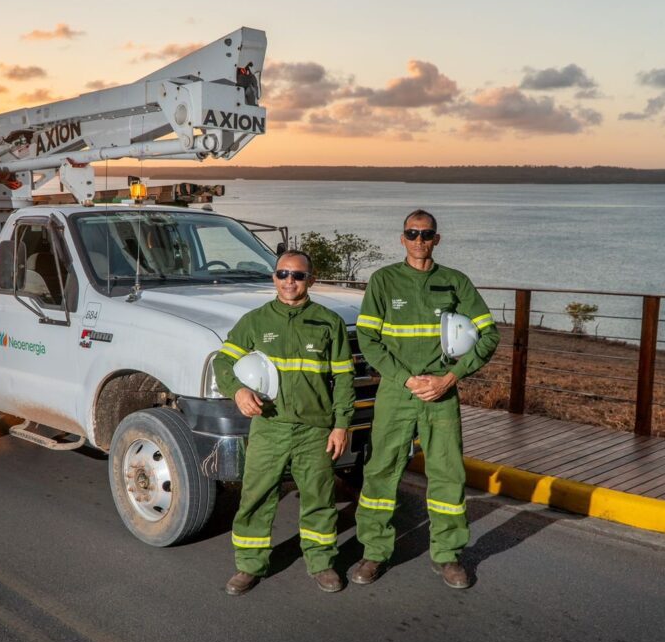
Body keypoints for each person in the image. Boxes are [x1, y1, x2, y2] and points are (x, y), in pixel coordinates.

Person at [351, 209, 499, 590]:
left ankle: (448, 556)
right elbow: (369, 341)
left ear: (437, 239)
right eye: (412, 233)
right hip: (397, 393)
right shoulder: (384, 281)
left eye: (426, 234)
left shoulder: (454, 282)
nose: (419, 240)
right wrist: (406, 379)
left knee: (448, 474)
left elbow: (489, 335)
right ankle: (374, 552)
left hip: (442, 393)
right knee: (382, 470)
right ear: (402, 238)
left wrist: (450, 378)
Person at [213, 250, 356, 596]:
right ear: (273, 278)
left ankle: (321, 562)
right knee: (256, 497)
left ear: (312, 279)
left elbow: (345, 379)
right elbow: (223, 362)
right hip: (270, 427)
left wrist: (341, 425)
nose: (290, 281)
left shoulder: (328, 322)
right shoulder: (255, 321)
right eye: (283, 274)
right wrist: (237, 392)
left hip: (315, 429)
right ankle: (249, 565)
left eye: (298, 275)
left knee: (319, 498)